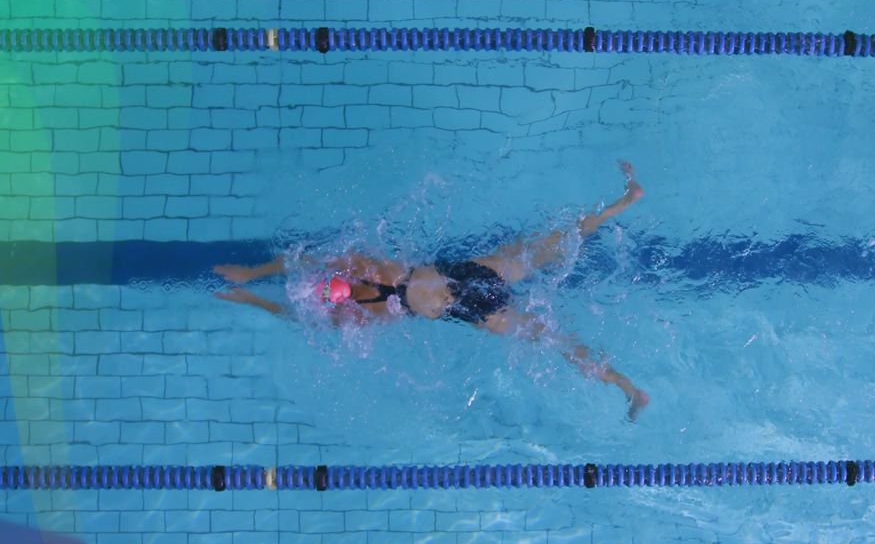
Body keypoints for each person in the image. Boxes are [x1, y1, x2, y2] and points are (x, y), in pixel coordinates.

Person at [213, 161, 650, 420]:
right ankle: (625, 201)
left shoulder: (363, 315)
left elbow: (299, 304)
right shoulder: (364, 264)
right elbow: (302, 260)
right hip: (473, 274)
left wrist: (253, 291)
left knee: (556, 341)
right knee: (553, 244)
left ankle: (628, 388)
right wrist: (251, 280)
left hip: (478, 314)